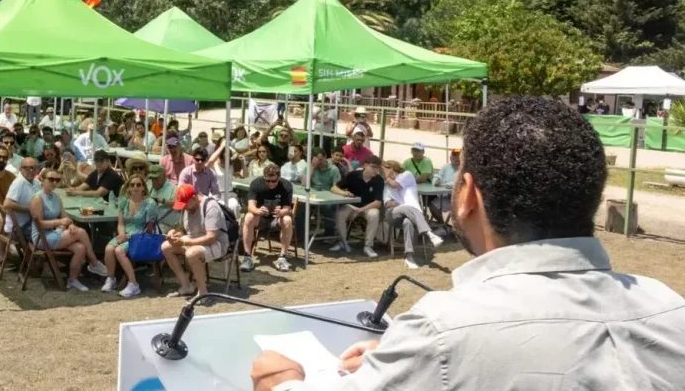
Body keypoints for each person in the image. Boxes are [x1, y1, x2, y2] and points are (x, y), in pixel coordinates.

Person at [252, 96, 685, 391]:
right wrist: (401, 358)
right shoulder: (672, 312)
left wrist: (284, 377)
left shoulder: (443, 329)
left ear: (468, 196)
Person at [31, 169, 108, 291]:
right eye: (51, 179)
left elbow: (64, 215)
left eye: (57, 180)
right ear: (42, 180)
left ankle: (72, 280)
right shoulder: (38, 198)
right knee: (81, 232)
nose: (54, 182)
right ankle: (94, 262)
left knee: (80, 248)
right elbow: (39, 223)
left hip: (54, 233)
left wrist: (70, 224)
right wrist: (60, 222)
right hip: (42, 237)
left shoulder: (56, 197)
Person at [161, 184, 229, 301]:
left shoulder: (210, 206)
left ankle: (203, 293)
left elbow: (211, 237)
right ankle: (186, 285)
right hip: (194, 239)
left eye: (186, 204)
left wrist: (185, 242)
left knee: (192, 253)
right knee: (166, 246)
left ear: (194, 197)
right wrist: (174, 233)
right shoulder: (187, 207)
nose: (184, 208)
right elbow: (182, 229)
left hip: (217, 244)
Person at [101, 174, 158, 297]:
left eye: (139, 184)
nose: (135, 187)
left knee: (119, 250)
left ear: (143, 187)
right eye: (132, 185)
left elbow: (149, 229)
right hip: (125, 234)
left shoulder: (150, 203)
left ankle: (133, 284)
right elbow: (121, 223)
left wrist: (130, 236)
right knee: (109, 248)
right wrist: (122, 234)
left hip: (142, 236)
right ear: (128, 188)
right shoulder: (124, 201)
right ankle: (111, 279)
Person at [382, 160, 444, 269]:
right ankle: (429, 234)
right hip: (393, 214)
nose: (383, 172)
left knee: (408, 222)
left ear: (391, 168)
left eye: (385, 169)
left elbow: (396, 185)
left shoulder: (406, 175)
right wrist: (399, 204)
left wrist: (399, 203)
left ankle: (409, 257)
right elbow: (388, 204)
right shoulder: (386, 185)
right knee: (407, 207)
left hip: (412, 215)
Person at [240, 164, 294, 272]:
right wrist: (258, 211)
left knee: (287, 219)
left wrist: (281, 212)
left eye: (273, 181)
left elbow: (288, 208)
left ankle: (283, 257)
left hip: (276, 218)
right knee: (248, 217)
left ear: (278, 178)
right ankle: (247, 256)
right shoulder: (256, 183)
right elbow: (251, 206)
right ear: (264, 177)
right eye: (267, 181)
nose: (270, 183)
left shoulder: (286, 185)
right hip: (260, 218)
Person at [330, 155, 384, 257]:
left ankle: (368, 246)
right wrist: (344, 193)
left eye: (378, 167)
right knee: (340, 213)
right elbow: (334, 188)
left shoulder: (379, 180)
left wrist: (360, 210)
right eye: (373, 167)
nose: (376, 170)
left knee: (375, 214)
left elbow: (378, 203)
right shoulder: (353, 175)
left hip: (368, 207)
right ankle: (343, 242)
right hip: (352, 206)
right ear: (365, 165)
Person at [296, 147, 340, 240]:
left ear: (325, 157)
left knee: (327, 207)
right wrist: (312, 167)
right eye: (316, 160)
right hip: (314, 195)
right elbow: (304, 183)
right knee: (301, 205)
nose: (318, 162)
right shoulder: (310, 167)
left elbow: (337, 186)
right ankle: (299, 233)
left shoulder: (333, 169)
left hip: (329, 196)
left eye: (320, 159)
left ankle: (329, 233)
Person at [2, 157, 42, 242]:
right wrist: (30, 210)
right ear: (20, 169)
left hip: (30, 224)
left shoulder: (36, 183)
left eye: (34, 168)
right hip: (18, 228)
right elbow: (7, 204)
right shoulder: (19, 182)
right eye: (28, 168)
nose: (31, 170)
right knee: (48, 236)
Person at [207, 137, 242, 217]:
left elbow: (237, 156)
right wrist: (222, 146)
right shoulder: (214, 164)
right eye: (224, 152)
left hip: (229, 194)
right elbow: (210, 161)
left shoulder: (231, 165)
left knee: (234, 206)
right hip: (217, 195)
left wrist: (229, 147)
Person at [147, 164, 179, 234]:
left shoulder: (173, 188)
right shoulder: (148, 186)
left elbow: (178, 206)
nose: (154, 180)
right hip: (149, 221)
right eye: (152, 178)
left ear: (164, 175)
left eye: (156, 177)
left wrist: (161, 200)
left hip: (165, 223)